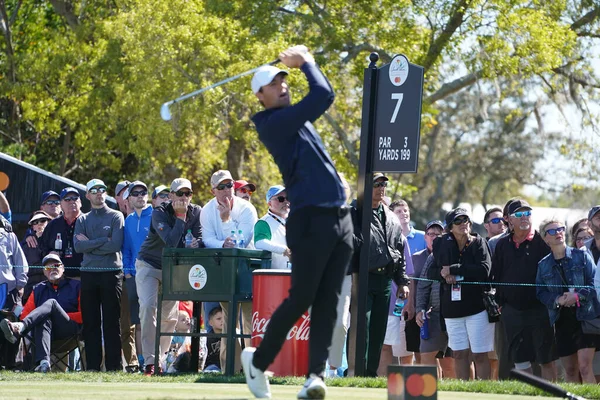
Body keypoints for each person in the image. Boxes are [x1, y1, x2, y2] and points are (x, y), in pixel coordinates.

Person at [242, 45, 353, 399]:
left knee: (329, 301)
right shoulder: (273, 124)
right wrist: (306, 62)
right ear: (260, 96)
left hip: (340, 219)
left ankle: (315, 377)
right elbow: (323, 94)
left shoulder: (294, 119)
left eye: (284, 80)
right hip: (309, 220)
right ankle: (258, 363)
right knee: (303, 296)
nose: (282, 86)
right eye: (274, 84)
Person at [135, 177, 202, 375]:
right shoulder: (159, 213)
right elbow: (171, 243)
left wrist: (196, 242)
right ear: (171, 195)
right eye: (179, 193)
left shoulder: (196, 212)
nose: (183, 197)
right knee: (148, 307)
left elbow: (198, 237)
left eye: (187, 194)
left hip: (173, 268)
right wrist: (180, 218)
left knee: (169, 319)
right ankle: (149, 362)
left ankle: (160, 360)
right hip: (149, 264)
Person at [350, 173, 410, 377]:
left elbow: (399, 250)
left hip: (385, 280)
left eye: (383, 184)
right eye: (376, 184)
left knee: (378, 330)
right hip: (363, 277)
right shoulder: (355, 212)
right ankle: (354, 370)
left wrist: (402, 281)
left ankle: (370, 373)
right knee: (361, 326)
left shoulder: (391, 217)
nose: (381, 187)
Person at [492, 199, 557, 380]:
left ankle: (551, 396)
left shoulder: (542, 243)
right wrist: (501, 303)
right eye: (519, 214)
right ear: (509, 220)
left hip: (540, 310)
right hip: (512, 311)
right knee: (520, 360)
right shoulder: (502, 245)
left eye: (527, 213)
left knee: (546, 359)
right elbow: (496, 276)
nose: (524, 217)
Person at [201, 169, 257, 374]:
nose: (227, 190)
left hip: (246, 268)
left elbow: (241, 242)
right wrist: (221, 243)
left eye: (230, 185)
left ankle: (253, 370)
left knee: (250, 322)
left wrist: (226, 220)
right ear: (213, 190)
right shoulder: (206, 211)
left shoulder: (247, 209)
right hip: (224, 270)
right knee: (228, 323)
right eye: (221, 187)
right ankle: (229, 370)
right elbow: (207, 239)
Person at [428, 208, 494, 380]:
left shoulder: (478, 242)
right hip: (452, 309)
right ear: (450, 227)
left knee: (479, 355)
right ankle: (464, 391)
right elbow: (432, 272)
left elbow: (484, 270)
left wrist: (454, 270)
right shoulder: (441, 244)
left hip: (477, 308)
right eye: (458, 221)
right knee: (458, 354)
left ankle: (483, 392)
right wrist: (443, 275)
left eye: (466, 219)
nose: (463, 223)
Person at [536, 219, 600, 383]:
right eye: (552, 231)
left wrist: (577, 296)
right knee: (571, 371)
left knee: (585, 367)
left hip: (586, 318)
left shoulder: (582, 255)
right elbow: (540, 292)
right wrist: (557, 300)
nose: (558, 233)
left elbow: (595, 284)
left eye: (560, 229)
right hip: (561, 320)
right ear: (545, 239)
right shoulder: (543, 265)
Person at [73, 178, 125, 372]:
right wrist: (104, 239)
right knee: (91, 323)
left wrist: (91, 244)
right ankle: (93, 367)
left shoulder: (116, 216)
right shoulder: (82, 219)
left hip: (111, 274)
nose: (98, 193)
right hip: (88, 274)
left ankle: (114, 367)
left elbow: (115, 245)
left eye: (102, 189)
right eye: (94, 190)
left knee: (112, 322)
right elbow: (79, 247)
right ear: (87, 195)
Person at [0, 254, 81, 373]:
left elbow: (83, 316)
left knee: (52, 304)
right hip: (45, 333)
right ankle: (44, 364)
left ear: (63, 268)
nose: (52, 269)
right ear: (44, 272)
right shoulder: (38, 289)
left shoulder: (76, 286)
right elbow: (24, 315)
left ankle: (20, 327)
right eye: (48, 268)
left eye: (56, 265)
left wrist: (57, 313)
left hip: (69, 330)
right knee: (44, 319)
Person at [414, 220, 455, 379]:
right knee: (426, 357)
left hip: (457, 314)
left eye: (439, 234)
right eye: (432, 234)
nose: (436, 238)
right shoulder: (433, 257)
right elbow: (423, 286)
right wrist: (420, 309)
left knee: (451, 363)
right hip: (434, 314)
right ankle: (429, 395)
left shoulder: (463, 252)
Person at [121, 180, 152, 373]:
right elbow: (126, 248)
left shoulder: (155, 216)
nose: (140, 196)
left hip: (153, 274)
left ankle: (154, 359)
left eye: (143, 192)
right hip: (133, 276)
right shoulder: (129, 220)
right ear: (130, 198)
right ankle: (142, 361)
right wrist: (127, 271)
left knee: (152, 318)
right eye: (136, 193)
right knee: (138, 322)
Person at [389, 199, 424, 364]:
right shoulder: (390, 236)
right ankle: (400, 387)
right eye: (399, 211)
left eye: (405, 210)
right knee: (402, 352)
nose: (404, 213)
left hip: (421, 303)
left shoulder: (423, 237)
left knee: (424, 353)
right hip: (398, 303)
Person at [0, 215, 27, 370]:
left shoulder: (9, 237)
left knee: (9, 326)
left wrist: (20, 285)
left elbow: (20, 262)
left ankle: (11, 364)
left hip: (8, 290)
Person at [39, 187, 83, 279]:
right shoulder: (53, 225)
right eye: (67, 199)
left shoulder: (88, 222)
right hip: (60, 277)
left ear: (81, 202)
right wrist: (49, 253)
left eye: (75, 198)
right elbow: (42, 247)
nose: (72, 201)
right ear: (61, 205)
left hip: (85, 275)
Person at [254, 185, 291, 269]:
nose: (286, 201)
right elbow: (259, 243)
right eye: (281, 199)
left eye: (288, 197)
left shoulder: (294, 219)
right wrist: (284, 250)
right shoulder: (263, 222)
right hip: (275, 275)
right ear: (269, 203)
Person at [22, 211, 52, 302]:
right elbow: (24, 269)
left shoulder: (56, 242)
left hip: (52, 287)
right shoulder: (26, 245)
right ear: (32, 226)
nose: (39, 224)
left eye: (43, 220)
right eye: (35, 222)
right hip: (31, 288)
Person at [204, 305, 224, 372]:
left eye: (225, 318)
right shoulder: (207, 338)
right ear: (210, 322)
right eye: (219, 319)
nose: (222, 321)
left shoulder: (233, 336)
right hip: (212, 366)